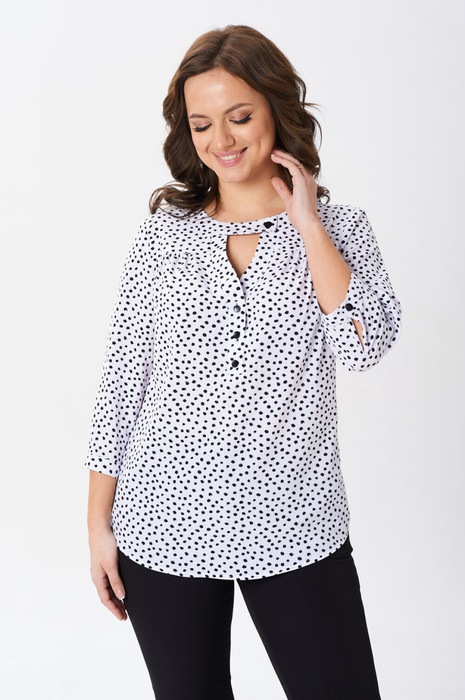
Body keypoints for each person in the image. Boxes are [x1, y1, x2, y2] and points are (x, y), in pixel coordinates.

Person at [85, 24, 402, 700]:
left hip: (297, 523)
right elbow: (122, 382)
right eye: (202, 124)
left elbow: (363, 346)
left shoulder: (342, 229)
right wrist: (96, 526)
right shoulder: (163, 237)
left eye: (239, 116)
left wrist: (307, 224)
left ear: (276, 112)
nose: (221, 140)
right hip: (163, 524)